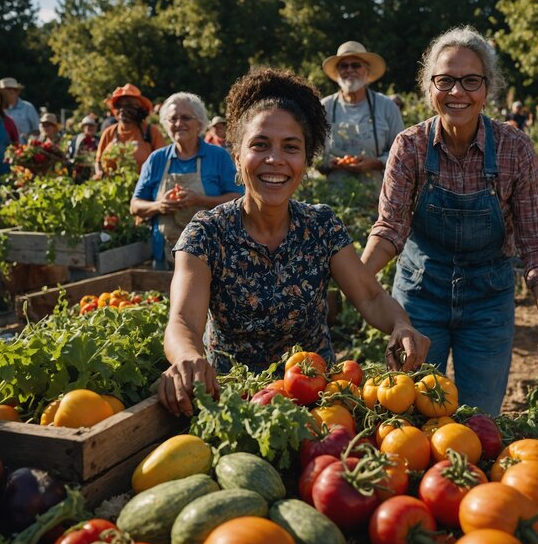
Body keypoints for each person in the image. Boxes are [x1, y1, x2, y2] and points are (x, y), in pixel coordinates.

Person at [157, 68, 430, 416]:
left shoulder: (321, 226)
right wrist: (188, 357)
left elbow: (371, 295)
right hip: (235, 408)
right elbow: (182, 321)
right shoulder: (206, 233)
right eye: (260, 145)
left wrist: (401, 325)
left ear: (306, 160)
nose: (276, 160)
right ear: (237, 157)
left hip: (319, 406)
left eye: (291, 147)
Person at [361, 26, 538, 416]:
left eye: (471, 81)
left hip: (488, 302)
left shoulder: (514, 148)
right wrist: (356, 281)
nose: (457, 92)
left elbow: (537, 245)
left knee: (479, 421)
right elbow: (390, 229)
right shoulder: (410, 146)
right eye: (446, 80)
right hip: (420, 298)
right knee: (411, 419)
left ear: (488, 88)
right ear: (430, 86)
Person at [131, 92, 244, 270]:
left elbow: (239, 199)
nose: (178, 124)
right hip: (165, 256)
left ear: (199, 122)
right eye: (173, 118)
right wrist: (160, 205)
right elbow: (135, 206)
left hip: (213, 254)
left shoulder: (218, 156)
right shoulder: (157, 159)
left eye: (185, 118)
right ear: (165, 124)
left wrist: (199, 200)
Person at [320, 41, 404, 187]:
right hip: (333, 199)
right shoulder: (324, 107)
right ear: (338, 71)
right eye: (344, 66)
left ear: (367, 70)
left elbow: (402, 153)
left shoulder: (387, 106)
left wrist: (377, 163)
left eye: (356, 65)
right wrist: (327, 163)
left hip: (375, 197)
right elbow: (311, 154)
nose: (349, 70)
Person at [94, 83, 166, 178]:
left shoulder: (150, 132)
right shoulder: (109, 133)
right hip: (112, 189)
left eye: (129, 105)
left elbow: (163, 163)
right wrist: (99, 173)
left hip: (144, 188)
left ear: (139, 109)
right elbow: (98, 161)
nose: (123, 110)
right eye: (119, 105)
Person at [67, 116, 100, 182]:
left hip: (93, 172)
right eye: (86, 126)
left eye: (91, 126)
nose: (89, 128)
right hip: (78, 172)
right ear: (83, 128)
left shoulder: (98, 140)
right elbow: (71, 155)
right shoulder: (76, 139)